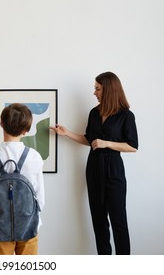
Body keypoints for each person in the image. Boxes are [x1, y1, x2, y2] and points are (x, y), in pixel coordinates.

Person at [50, 71, 138, 255]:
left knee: (118, 222)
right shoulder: (94, 113)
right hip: (94, 169)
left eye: (97, 89)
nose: (94, 92)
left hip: (114, 172)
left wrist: (107, 143)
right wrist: (67, 133)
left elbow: (133, 146)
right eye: (95, 88)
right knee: (99, 222)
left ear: (109, 90)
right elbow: (89, 139)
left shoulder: (126, 115)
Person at [0, 103, 45, 255]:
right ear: (26, 130)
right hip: (29, 226)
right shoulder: (34, 156)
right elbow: (40, 199)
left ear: (1, 123)